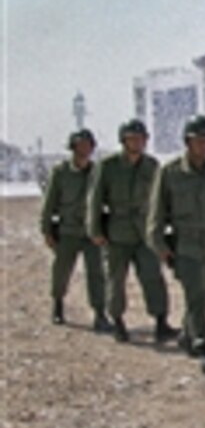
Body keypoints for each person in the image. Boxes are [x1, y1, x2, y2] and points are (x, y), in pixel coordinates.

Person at [87, 119, 179, 344]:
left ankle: (161, 322)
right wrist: (95, 230)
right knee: (115, 279)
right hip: (117, 232)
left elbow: (161, 200)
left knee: (153, 277)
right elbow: (95, 199)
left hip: (144, 232)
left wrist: (165, 229)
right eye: (131, 139)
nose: (136, 143)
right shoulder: (108, 166)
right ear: (123, 141)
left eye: (140, 138)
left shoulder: (152, 166)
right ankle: (118, 322)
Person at [147, 115, 205, 375]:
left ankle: (187, 332)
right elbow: (156, 214)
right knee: (195, 296)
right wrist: (160, 246)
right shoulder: (170, 173)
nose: (204, 145)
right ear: (187, 142)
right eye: (198, 140)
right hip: (186, 244)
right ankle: (204, 347)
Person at [40, 129, 109, 331]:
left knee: (96, 273)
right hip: (67, 231)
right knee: (61, 270)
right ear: (73, 147)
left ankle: (99, 313)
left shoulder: (98, 173)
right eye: (80, 145)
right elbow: (49, 202)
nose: (84, 149)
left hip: (91, 232)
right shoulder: (60, 172)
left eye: (88, 145)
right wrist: (47, 231)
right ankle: (58, 305)